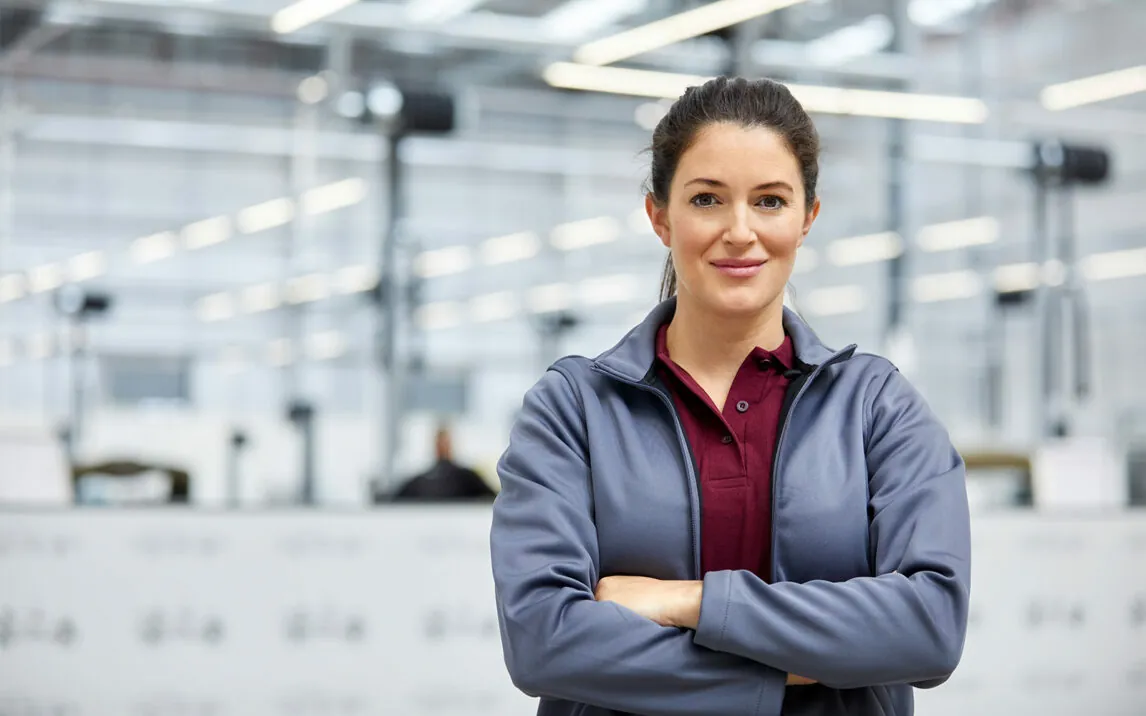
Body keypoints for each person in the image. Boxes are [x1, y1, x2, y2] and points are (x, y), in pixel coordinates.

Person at [489, 76, 971, 716]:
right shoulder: (572, 409)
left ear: (807, 218)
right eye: (707, 199)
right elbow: (543, 642)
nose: (740, 231)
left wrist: (690, 602)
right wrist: (800, 669)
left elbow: (929, 627)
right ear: (660, 217)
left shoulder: (877, 406)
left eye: (770, 201)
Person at [389, 424, 496, 502]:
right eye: (440, 443)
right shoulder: (420, 482)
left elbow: (493, 497)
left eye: (445, 443)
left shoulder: (467, 478)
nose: (443, 447)